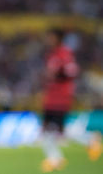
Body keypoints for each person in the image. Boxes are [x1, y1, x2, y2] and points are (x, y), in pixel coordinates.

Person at [39, 29, 79, 172]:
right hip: (51, 98)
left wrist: (56, 76)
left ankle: (90, 139)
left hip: (60, 98)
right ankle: (55, 159)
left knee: (58, 131)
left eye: (51, 37)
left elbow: (72, 72)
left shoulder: (64, 53)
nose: (48, 40)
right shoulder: (52, 54)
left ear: (58, 38)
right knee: (47, 130)